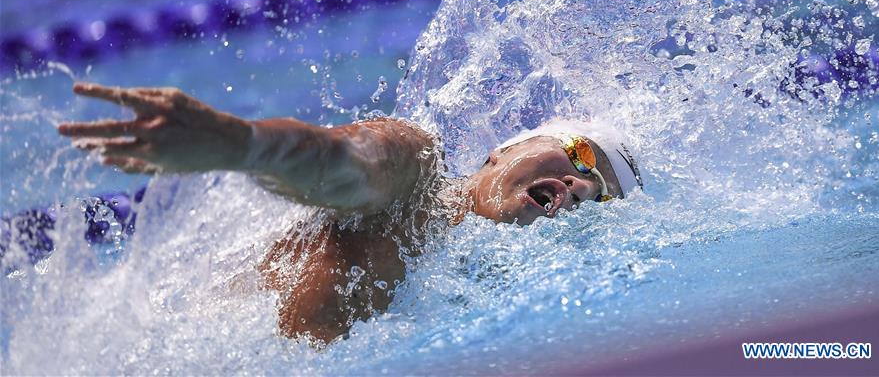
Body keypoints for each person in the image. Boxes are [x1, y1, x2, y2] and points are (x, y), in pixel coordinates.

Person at [58, 81, 641, 343]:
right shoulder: (414, 177)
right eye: (581, 156)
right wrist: (237, 144)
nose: (580, 185)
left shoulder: (480, 302)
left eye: (600, 194)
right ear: (503, 151)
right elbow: (341, 162)